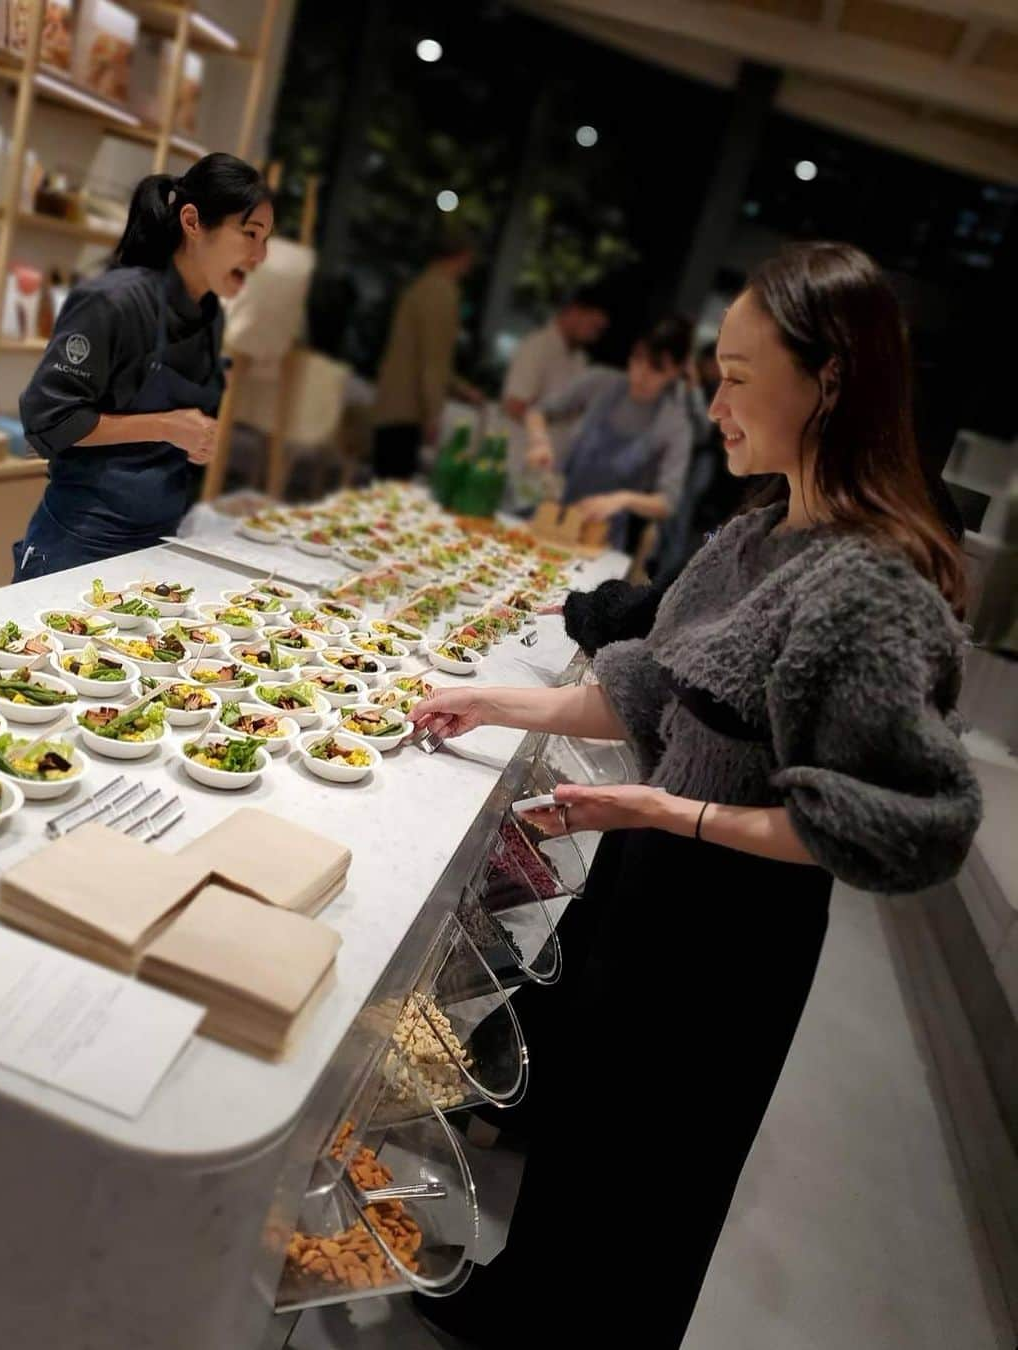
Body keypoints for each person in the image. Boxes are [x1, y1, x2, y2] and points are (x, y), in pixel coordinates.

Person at [412, 242, 982, 1348]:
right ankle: (517, 1308)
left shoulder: (872, 582)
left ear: (827, 381)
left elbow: (901, 828)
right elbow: (648, 690)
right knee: (586, 1141)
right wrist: (487, 701)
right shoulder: (759, 533)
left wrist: (671, 814)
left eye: (735, 374)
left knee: (649, 1197)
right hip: (653, 887)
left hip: (731, 932)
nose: (712, 400)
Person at [14, 153, 272, 581]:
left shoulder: (210, 314)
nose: (259, 256)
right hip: (78, 544)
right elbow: (48, 420)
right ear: (192, 222)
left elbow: (188, 425)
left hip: (158, 545)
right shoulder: (113, 303)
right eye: (249, 234)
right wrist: (167, 426)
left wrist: (195, 441)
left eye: (266, 241)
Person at [525, 316, 695, 554]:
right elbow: (539, 412)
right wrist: (540, 442)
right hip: (554, 510)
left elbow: (667, 502)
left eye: (656, 368)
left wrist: (622, 500)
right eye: (637, 359)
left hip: (601, 536)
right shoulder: (600, 383)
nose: (641, 373)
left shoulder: (674, 424)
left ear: (676, 371)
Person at [371, 229, 484, 480]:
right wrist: (434, 415)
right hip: (407, 409)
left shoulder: (421, 286)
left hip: (393, 403)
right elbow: (433, 359)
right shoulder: (441, 293)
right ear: (462, 257)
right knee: (392, 493)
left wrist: (461, 388)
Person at [501, 284, 610, 508]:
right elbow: (514, 404)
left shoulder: (579, 358)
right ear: (574, 311)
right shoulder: (538, 346)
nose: (594, 335)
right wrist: (544, 422)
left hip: (551, 470)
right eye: (593, 326)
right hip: (520, 461)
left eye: (599, 330)